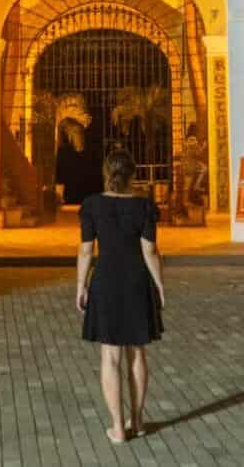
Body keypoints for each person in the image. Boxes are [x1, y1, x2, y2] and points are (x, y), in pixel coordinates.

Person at [76, 148, 166, 443]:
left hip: (106, 282)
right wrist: (160, 286)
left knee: (110, 356)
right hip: (137, 282)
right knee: (137, 353)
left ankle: (117, 427)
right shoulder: (144, 207)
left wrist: (81, 285)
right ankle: (138, 421)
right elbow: (150, 251)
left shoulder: (91, 206)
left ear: (106, 174)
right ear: (133, 176)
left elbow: (87, 250)